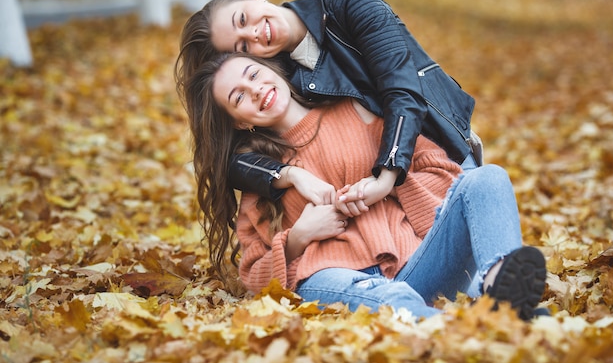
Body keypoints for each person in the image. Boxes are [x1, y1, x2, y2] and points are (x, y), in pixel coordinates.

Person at [179, 52, 547, 321]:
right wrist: (298, 238)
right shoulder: (259, 175)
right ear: (239, 123)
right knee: (392, 300)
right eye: (239, 96)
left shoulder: (355, 109)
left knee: (488, 178)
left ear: (272, 68)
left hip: (417, 266)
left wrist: (384, 186)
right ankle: (490, 329)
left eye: (253, 74)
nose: (256, 90)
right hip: (337, 282)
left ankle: (501, 288)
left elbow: (440, 169)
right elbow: (254, 275)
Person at [174, 0, 482, 215]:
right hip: (375, 199)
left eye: (242, 19)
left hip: (440, 150)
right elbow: (227, 158)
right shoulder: (272, 81)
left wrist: (387, 174)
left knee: (485, 270)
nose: (253, 34)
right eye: (242, 47)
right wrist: (290, 175)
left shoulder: (348, 3)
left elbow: (402, 89)